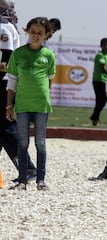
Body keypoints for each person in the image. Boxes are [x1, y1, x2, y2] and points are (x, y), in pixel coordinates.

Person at [6, 17, 56, 190]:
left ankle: (40, 180)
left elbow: (49, 80)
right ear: (27, 31)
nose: (36, 35)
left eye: (40, 33)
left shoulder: (48, 55)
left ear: (46, 35)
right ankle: (22, 180)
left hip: (41, 106)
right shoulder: (18, 54)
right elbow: (11, 81)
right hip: (23, 106)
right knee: (22, 143)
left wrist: (44, 97)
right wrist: (9, 105)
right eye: (33, 32)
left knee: (40, 143)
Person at [0, 11, 38, 181]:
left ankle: (27, 167)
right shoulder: (8, 26)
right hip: (7, 82)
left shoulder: (3, 27)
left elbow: (4, 61)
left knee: (6, 126)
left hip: (3, 82)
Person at [90, 37, 107, 126]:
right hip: (97, 80)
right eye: (104, 45)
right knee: (102, 99)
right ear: (101, 46)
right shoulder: (100, 55)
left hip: (103, 80)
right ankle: (95, 117)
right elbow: (103, 68)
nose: (106, 47)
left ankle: (95, 118)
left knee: (101, 100)